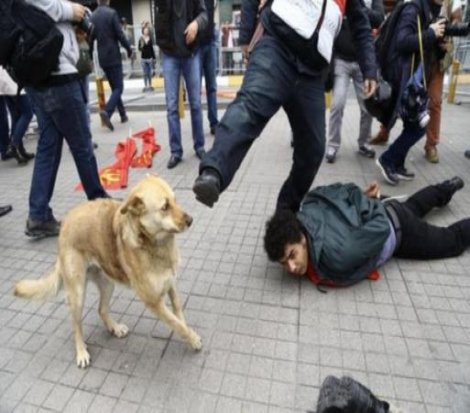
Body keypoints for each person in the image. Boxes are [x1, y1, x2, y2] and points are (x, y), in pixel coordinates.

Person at [193, 0, 378, 212]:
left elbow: (361, 25)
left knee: (313, 150)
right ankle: (213, 172)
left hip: (313, 71)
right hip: (277, 43)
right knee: (249, 106)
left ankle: (286, 211)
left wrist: (369, 69)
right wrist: (245, 35)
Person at [264, 177, 468, 286]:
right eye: (283, 262)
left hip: (399, 230)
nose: (291, 267)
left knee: (451, 241)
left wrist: (373, 202)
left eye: (292, 255)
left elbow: (380, 228)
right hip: (389, 209)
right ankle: (447, 187)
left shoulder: (337, 256)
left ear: (301, 237)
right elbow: (344, 191)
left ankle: (447, 194)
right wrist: (366, 198)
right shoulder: (311, 203)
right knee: (413, 207)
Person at [24, 0, 109, 238]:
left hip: (38, 74)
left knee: (48, 147)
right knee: (82, 145)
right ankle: (100, 207)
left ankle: (38, 216)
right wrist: (72, 10)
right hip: (57, 73)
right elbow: (44, 6)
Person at [375, 0, 446, 185]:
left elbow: (426, 46)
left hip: (415, 77)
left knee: (413, 124)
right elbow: (402, 42)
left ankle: (397, 164)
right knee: (419, 126)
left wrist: (439, 44)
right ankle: (388, 160)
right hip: (402, 77)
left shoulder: (430, 11)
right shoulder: (412, 8)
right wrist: (430, 33)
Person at [325, 0, 385, 163]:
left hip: (362, 62)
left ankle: (364, 143)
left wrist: (358, 8)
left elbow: (379, 18)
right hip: (341, 60)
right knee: (337, 104)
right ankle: (332, 145)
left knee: (368, 106)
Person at [155, 0, 208, 169]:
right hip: (170, 56)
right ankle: (176, 152)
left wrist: (196, 24)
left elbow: (204, 15)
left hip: (191, 55)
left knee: (196, 104)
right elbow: (158, 21)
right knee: (171, 106)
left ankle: (199, 146)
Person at [424, 0, 464, 163]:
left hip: (437, 60)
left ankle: (431, 144)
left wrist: (448, 35)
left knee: (435, 101)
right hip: (418, 55)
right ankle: (385, 130)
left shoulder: (452, 2)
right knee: (402, 96)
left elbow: (458, 19)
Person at [90, 0, 133, 131]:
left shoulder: (93, 16)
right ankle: (107, 112)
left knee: (114, 86)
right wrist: (129, 49)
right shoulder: (112, 13)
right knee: (119, 87)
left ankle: (123, 114)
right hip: (113, 55)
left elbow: (90, 38)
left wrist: (91, 57)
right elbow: (120, 34)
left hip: (102, 57)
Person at [0, 67, 35, 165]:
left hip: (5, 80)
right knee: (27, 112)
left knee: (15, 115)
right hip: (9, 78)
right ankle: (14, 145)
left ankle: (20, 151)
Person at [199, 0, 219, 135]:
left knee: (211, 87)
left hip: (210, 42)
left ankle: (214, 123)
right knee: (196, 91)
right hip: (196, 46)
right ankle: (198, 126)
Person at [138, 26, 156, 92]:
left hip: (149, 58)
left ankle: (150, 85)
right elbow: (139, 48)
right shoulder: (141, 39)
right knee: (145, 73)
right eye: (145, 30)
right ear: (143, 31)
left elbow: (151, 49)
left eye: (147, 30)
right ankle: (145, 85)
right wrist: (141, 46)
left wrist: (154, 57)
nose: (146, 31)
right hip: (143, 58)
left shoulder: (150, 39)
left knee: (149, 73)